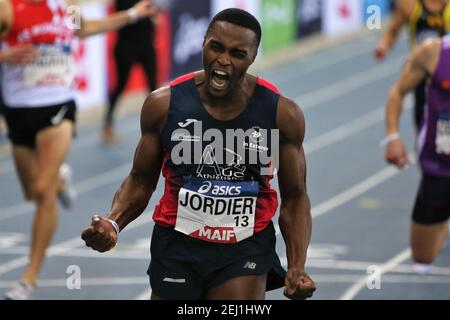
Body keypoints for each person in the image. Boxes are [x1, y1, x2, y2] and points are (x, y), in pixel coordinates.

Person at [82, 8, 316, 300]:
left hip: (245, 245)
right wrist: (114, 221)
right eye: (216, 47)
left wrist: (296, 265)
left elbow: (295, 197)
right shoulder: (163, 105)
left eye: (237, 53)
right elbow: (141, 179)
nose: (223, 60)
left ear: (253, 57)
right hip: (177, 242)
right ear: (203, 42)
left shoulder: (281, 113)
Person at [0, 0, 157, 300]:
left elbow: (85, 30)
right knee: (32, 191)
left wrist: (133, 14)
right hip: (19, 112)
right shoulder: (8, 8)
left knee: (43, 193)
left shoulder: (64, 6)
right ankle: (59, 176)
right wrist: (7, 55)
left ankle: (28, 278)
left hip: (58, 105)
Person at [383, 35, 450, 273]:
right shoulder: (433, 52)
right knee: (423, 255)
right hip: (438, 169)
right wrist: (393, 137)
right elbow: (398, 92)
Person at [374, 0, 450, 130]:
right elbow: (393, 29)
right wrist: (384, 45)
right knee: (422, 121)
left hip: (445, 70)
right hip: (420, 70)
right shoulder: (409, 4)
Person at [102, 0, 159, 144]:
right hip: (126, 45)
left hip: (146, 44)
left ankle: (160, 126)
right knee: (120, 86)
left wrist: (155, 16)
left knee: (154, 88)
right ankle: (107, 126)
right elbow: (121, 16)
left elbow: (155, 12)